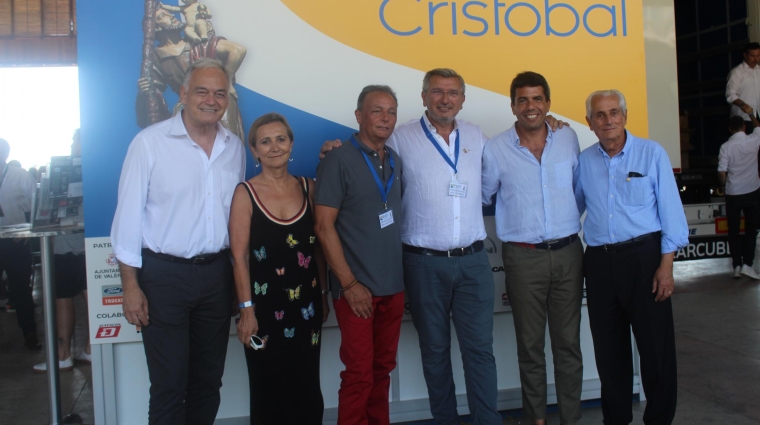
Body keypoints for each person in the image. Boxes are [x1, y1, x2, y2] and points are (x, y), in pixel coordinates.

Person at [111, 58, 245, 425]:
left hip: (216, 277)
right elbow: (127, 219)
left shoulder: (234, 147)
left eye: (220, 93)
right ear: (183, 94)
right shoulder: (149, 143)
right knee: (169, 386)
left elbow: (237, 221)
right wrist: (130, 287)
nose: (211, 100)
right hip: (164, 278)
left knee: (208, 382)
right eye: (201, 91)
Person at [575, 90, 688, 425]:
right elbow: (572, 208)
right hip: (598, 263)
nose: (608, 120)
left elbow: (672, 216)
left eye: (614, 113)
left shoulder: (651, 154)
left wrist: (665, 267)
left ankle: (659, 420)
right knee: (609, 354)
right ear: (589, 122)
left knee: (656, 351)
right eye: (600, 115)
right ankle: (616, 420)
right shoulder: (584, 161)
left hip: (645, 260)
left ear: (625, 116)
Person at [481, 72, 583, 425]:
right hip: (523, 257)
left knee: (568, 344)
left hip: (569, 253)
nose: (531, 106)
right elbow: (483, 196)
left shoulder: (567, 138)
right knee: (530, 346)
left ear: (548, 103)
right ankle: (535, 419)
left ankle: (571, 418)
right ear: (512, 106)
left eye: (537, 99)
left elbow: (577, 190)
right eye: (522, 100)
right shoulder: (495, 149)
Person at [314, 85, 405, 425]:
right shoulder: (338, 160)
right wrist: (349, 284)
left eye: (392, 111)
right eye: (377, 110)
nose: (386, 118)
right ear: (358, 116)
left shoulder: (394, 160)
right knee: (359, 375)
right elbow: (323, 227)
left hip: (393, 287)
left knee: (382, 372)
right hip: (356, 291)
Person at [229, 112, 329, 425]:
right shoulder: (244, 193)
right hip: (262, 311)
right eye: (265, 141)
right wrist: (246, 310)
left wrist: (323, 293)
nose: (274, 147)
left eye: (281, 139)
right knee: (267, 388)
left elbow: (318, 248)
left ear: (291, 144)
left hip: (307, 307)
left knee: (307, 387)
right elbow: (240, 257)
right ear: (254, 150)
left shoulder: (308, 187)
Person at [136, 7, 247, 140]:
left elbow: (238, 50)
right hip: (188, 106)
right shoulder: (157, 58)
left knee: (227, 137)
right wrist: (143, 93)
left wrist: (226, 81)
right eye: (163, 16)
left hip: (216, 99)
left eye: (168, 12)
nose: (171, 15)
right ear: (156, 28)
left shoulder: (198, 43)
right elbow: (149, 110)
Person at [34, 129, 91, 373]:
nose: (71, 144)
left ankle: (64, 354)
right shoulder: (102, 167)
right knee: (87, 298)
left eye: (75, 139)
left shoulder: (68, 169)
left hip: (70, 246)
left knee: (65, 299)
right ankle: (88, 350)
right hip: (90, 245)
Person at [0, 138, 39, 350]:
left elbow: (37, 203)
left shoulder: (20, 175)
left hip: (15, 241)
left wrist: (30, 230)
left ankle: (30, 333)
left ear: (5, 154)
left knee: (21, 290)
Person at [718, 115, 760, 279]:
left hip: (733, 193)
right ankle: (747, 265)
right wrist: (751, 113)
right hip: (752, 190)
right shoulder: (753, 140)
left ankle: (736, 265)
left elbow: (722, 172)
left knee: (733, 231)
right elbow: (758, 127)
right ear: (744, 127)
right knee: (751, 230)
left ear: (730, 129)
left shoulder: (725, 147)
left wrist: (723, 185)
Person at [727, 42, 760, 130]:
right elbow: (730, 94)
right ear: (745, 55)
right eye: (753, 56)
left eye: (758, 56)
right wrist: (743, 104)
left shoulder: (759, 71)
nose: (755, 59)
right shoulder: (737, 72)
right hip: (743, 118)